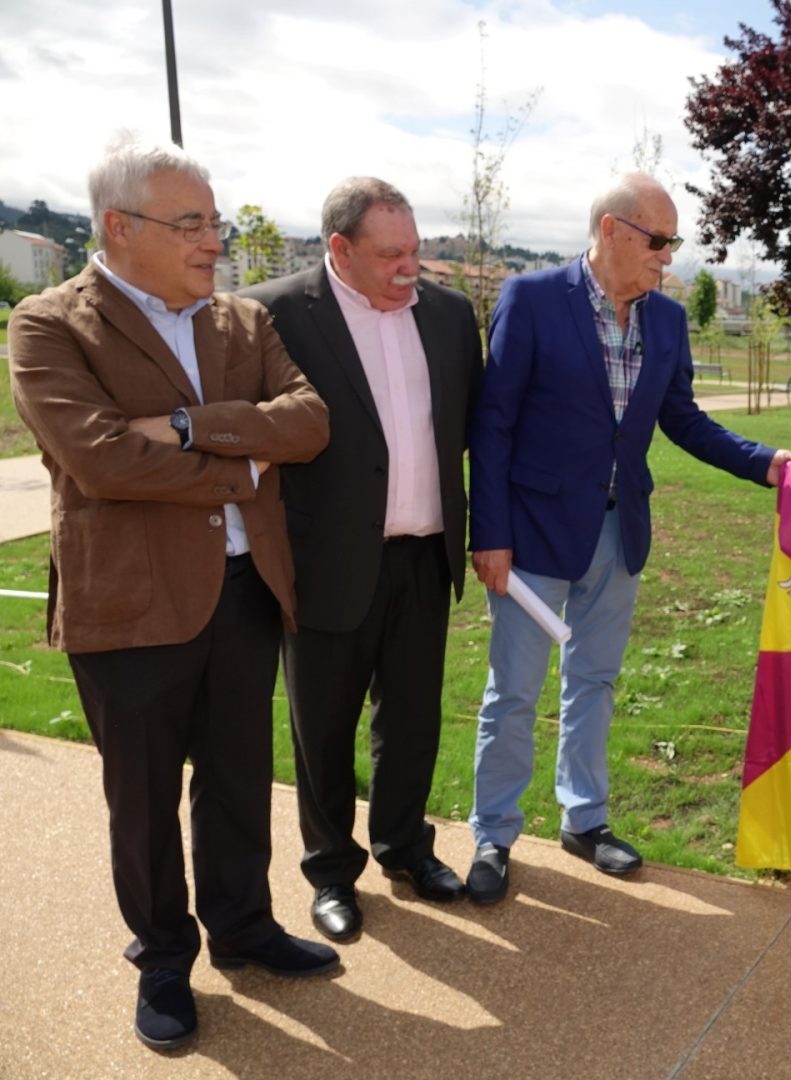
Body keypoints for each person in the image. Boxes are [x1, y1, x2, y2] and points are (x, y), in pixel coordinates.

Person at [7, 134, 333, 1051]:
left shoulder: (241, 321)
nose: (213, 241)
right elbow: (99, 460)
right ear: (118, 227)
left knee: (236, 776)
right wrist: (244, 461)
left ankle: (242, 926)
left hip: (245, 587)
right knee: (142, 795)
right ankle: (160, 955)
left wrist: (188, 425)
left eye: (215, 222)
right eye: (190, 223)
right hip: (131, 602)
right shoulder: (46, 324)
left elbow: (308, 422)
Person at [466, 173, 791, 902]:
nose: (668, 255)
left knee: (595, 682)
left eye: (673, 241)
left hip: (620, 533)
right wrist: (488, 531)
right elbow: (491, 425)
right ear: (613, 230)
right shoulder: (530, 300)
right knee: (514, 693)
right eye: (659, 239)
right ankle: (493, 833)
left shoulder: (668, 321)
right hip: (532, 538)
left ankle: (584, 820)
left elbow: (682, 419)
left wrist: (766, 464)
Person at [240, 178, 484, 942]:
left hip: (424, 552)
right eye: (391, 255)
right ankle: (330, 872)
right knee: (324, 727)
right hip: (325, 560)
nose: (410, 267)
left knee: (412, 720)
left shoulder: (448, 317)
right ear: (339, 249)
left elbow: (471, 429)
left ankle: (406, 847)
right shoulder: (271, 313)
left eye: (415, 250)